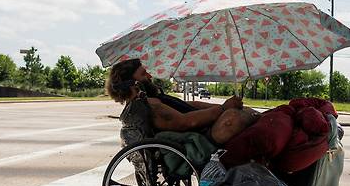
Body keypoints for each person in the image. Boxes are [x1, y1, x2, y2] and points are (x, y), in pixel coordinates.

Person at [106, 58, 259, 144]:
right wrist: (223, 109)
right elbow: (185, 122)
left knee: (240, 112)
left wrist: (222, 106)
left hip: (203, 128)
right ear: (132, 83)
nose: (150, 77)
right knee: (233, 117)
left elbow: (191, 105)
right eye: (143, 74)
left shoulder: (152, 100)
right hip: (200, 135)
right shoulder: (149, 106)